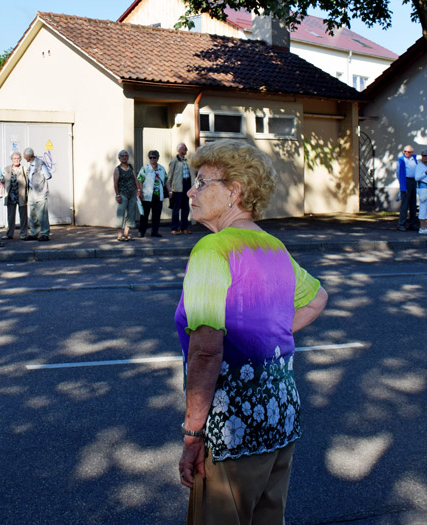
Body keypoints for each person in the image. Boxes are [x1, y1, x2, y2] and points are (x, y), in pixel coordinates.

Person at [175, 139, 328, 524]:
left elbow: (206, 352)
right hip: (281, 419)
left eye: (202, 182)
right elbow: (317, 298)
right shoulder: (272, 246)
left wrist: (193, 434)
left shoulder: (213, 250)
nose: (191, 191)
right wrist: (267, 335)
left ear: (235, 192)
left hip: (234, 428)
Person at [136, 150, 169, 238]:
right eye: (150, 157)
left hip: (158, 196)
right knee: (144, 215)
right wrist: (140, 191)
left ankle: (155, 231)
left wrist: (170, 191)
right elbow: (139, 180)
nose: (152, 159)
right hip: (147, 195)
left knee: (156, 215)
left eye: (154, 157)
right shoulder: (145, 168)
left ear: (157, 158)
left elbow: (166, 180)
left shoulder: (162, 168)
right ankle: (141, 231)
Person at [23, 148, 53, 241]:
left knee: (42, 214)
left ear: (28, 156)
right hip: (31, 191)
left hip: (40, 191)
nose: (24, 157)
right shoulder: (30, 165)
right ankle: (34, 233)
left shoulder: (40, 163)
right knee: (32, 213)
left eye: (25, 156)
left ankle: (45, 233)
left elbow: (48, 176)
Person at [113, 149, 142, 241]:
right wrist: (117, 195)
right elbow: (115, 183)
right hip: (122, 194)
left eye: (126, 156)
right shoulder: (117, 169)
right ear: (119, 158)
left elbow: (135, 179)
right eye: (122, 156)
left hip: (132, 193)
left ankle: (126, 233)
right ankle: (119, 234)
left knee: (131, 214)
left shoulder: (130, 167)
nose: (124, 157)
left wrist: (138, 190)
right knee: (120, 213)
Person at [2, 151, 30, 240]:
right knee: (10, 216)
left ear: (21, 159)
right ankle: (9, 234)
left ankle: (24, 233)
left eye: (18, 158)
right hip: (10, 195)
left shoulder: (24, 168)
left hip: (21, 195)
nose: (16, 160)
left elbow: (29, 181)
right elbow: (2, 181)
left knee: (23, 216)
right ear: (11, 159)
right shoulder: (7, 169)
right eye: (14, 158)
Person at [169, 143, 193, 234]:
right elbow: (170, 175)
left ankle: (184, 227)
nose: (186, 149)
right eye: (184, 148)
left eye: (186, 148)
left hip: (186, 185)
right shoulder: (175, 160)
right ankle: (174, 228)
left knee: (186, 207)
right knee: (176, 208)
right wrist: (170, 189)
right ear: (179, 150)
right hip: (178, 187)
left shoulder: (187, 161)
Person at [397, 145, 419, 231]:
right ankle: (401, 223)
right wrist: (402, 184)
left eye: (409, 152)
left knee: (413, 203)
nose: (407, 153)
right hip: (406, 181)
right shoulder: (401, 160)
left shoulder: (415, 159)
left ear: (412, 152)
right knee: (405, 204)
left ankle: (412, 223)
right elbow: (398, 172)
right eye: (405, 151)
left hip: (414, 181)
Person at [416, 150, 427, 235]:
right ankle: (422, 227)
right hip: (423, 188)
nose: (426, 157)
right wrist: (425, 173)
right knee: (423, 208)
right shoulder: (419, 166)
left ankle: (426, 226)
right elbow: (417, 178)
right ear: (421, 156)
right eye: (424, 156)